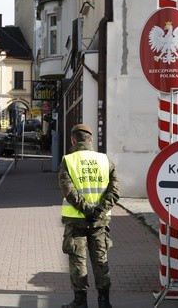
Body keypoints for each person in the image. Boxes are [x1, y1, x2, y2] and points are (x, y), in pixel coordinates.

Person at [58, 124, 120, 308]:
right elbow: (115, 190)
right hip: (100, 221)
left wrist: (86, 209)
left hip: (76, 220)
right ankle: (104, 301)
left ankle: (80, 302)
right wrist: (98, 211)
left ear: (73, 140)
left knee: (78, 259)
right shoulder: (104, 160)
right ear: (90, 140)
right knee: (101, 260)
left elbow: (68, 191)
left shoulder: (68, 160)